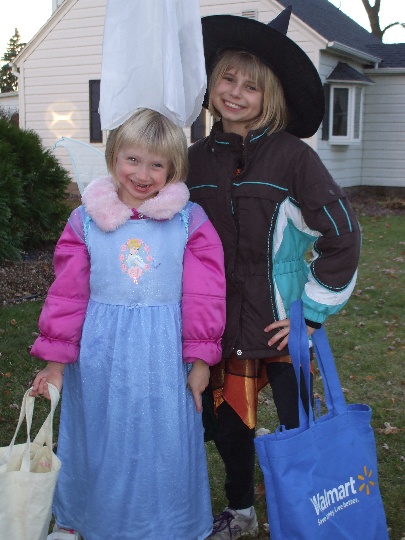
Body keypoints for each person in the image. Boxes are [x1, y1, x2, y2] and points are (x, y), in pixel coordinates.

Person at [187, 8, 361, 540]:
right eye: (228, 79)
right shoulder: (193, 160)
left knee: (296, 422)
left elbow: (342, 235)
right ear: (211, 83)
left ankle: (309, 509)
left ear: (271, 96)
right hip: (220, 323)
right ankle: (241, 509)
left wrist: (310, 311)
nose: (236, 93)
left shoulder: (293, 158)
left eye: (252, 86)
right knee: (230, 426)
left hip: (281, 324)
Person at [30, 108, 226, 540]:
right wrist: (56, 363)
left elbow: (205, 295)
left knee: (164, 441)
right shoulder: (85, 221)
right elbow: (67, 296)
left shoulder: (189, 221)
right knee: (101, 437)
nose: (142, 174)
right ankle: (85, 518)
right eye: (132, 160)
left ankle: (166, 525)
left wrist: (200, 361)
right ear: (113, 156)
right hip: (101, 356)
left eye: (157, 165)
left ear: (173, 169)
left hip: (164, 356)